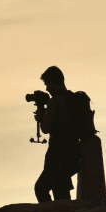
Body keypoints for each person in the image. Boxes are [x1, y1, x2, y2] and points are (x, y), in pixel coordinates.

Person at [33, 66, 79, 203]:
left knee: (44, 190)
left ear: (53, 83)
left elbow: (45, 129)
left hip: (58, 157)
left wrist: (42, 117)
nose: (47, 89)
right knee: (59, 193)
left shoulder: (55, 102)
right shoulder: (72, 99)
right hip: (73, 153)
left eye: (47, 84)